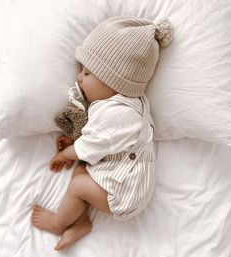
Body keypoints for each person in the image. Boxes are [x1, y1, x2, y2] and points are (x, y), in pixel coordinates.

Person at [31, 16, 173, 250]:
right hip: (115, 174)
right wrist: (75, 143)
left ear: (113, 81)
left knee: (78, 186)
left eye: (86, 73)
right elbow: (98, 139)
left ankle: (58, 223)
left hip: (126, 193)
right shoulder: (116, 106)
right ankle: (81, 222)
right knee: (81, 171)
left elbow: (92, 145)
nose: (78, 77)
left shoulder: (122, 113)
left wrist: (66, 153)